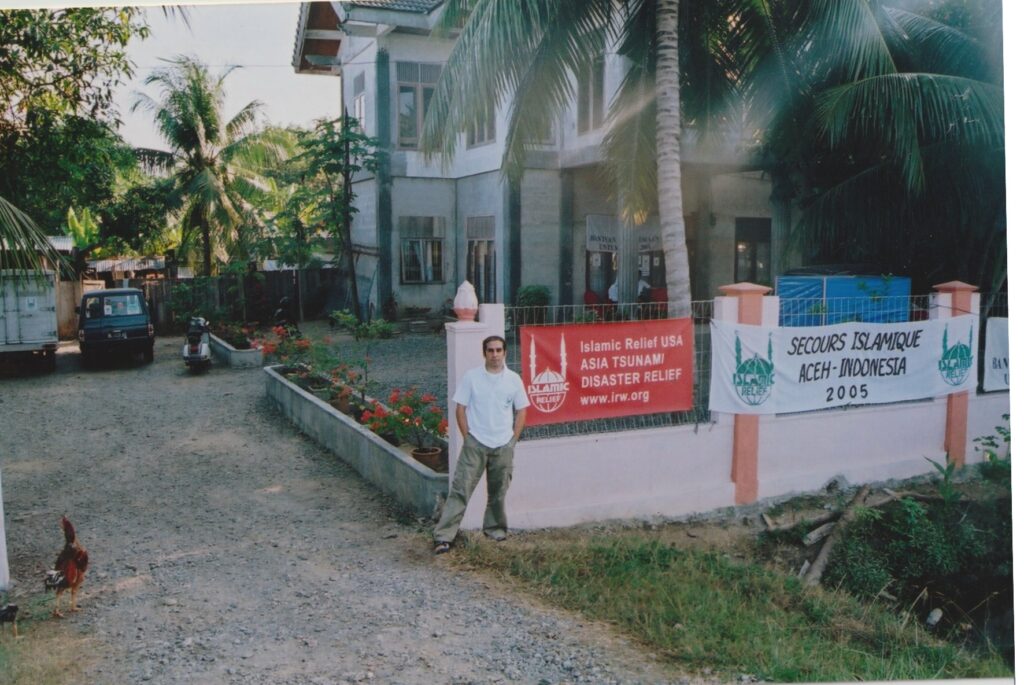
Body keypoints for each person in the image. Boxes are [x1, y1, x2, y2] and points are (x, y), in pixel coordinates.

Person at [433, 335, 529, 554]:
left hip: (503, 445)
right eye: (490, 350)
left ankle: (495, 531)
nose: (494, 355)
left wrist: (512, 440)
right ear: (484, 353)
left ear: (505, 353)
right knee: (460, 489)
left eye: (498, 350)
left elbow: (522, 410)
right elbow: (460, 409)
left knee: (498, 491)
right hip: (475, 444)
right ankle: (443, 537)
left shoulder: (513, 380)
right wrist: (468, 438)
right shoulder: (472, 377)